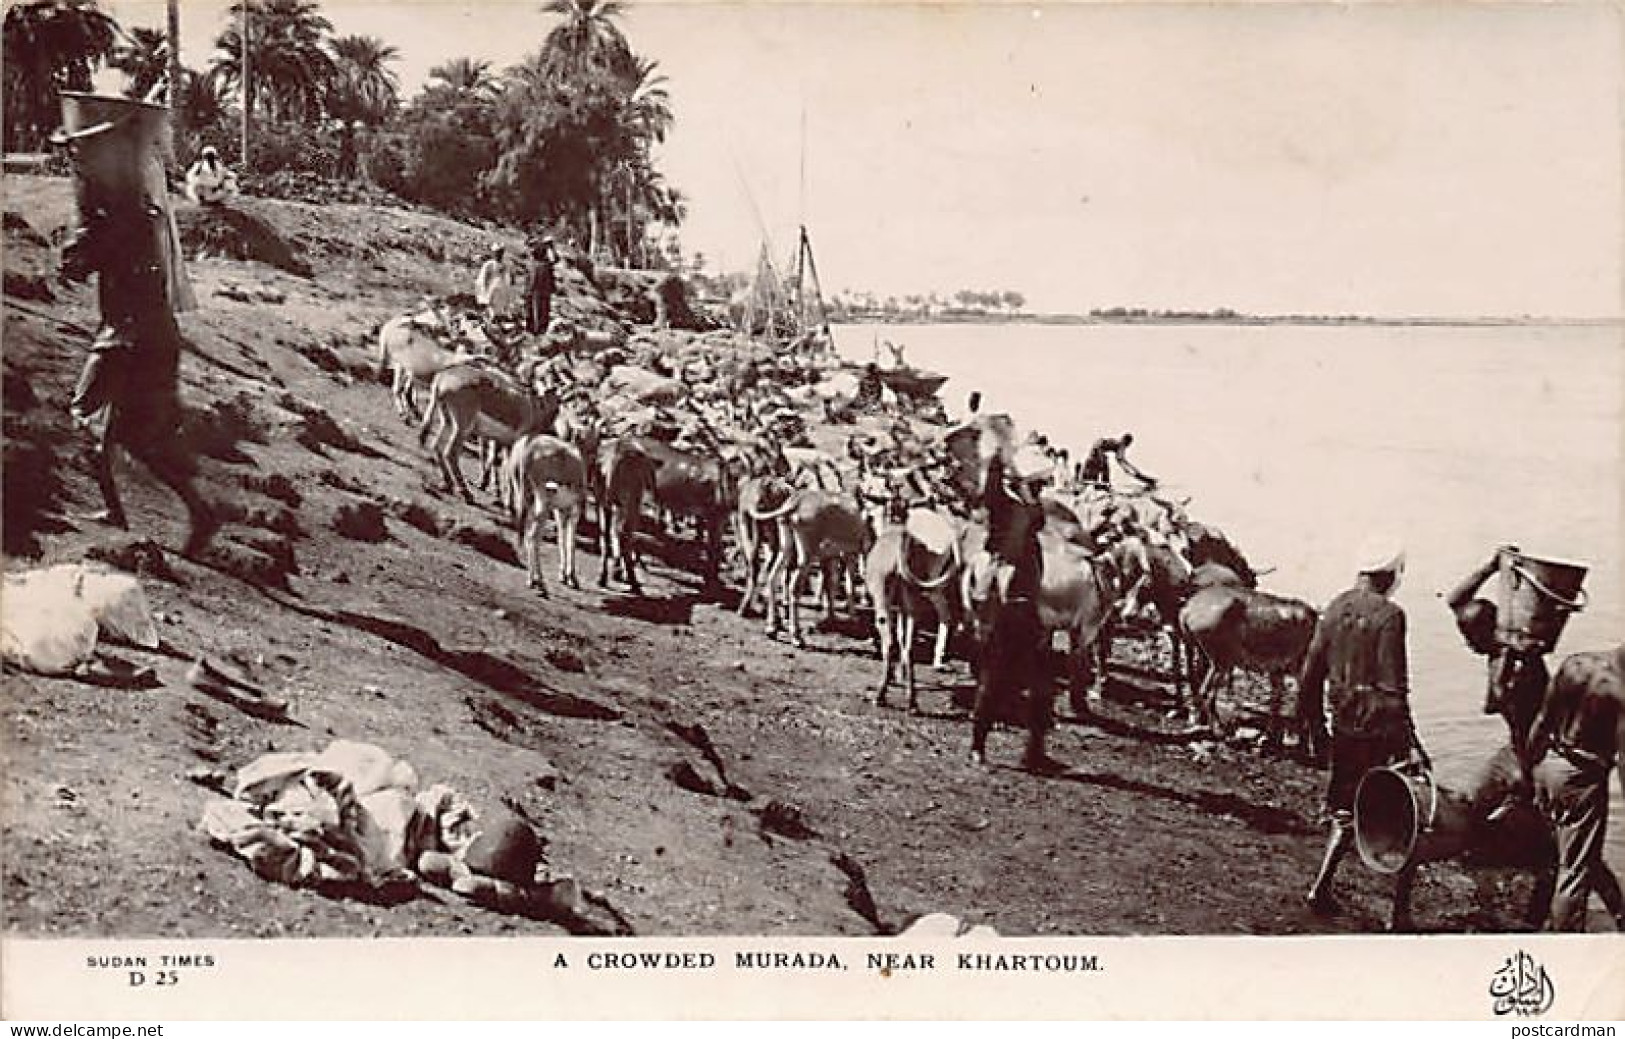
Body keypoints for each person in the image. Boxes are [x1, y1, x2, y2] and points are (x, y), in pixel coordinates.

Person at [59, 97, 217, 556]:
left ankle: (130, 511)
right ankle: (195, 512)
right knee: (134, 437)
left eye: (82, 150)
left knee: (85, 416)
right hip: (148, 334)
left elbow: (79, 261)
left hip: (128, 336)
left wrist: (77, 238)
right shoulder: (131, 201)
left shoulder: (117, 209)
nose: (76, 157)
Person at [1300, 538, 1430, 920]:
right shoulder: (1390, 616)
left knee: (1345, 811)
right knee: (1408, 812)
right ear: (1390, 575)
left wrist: (1315, 728)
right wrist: (1411, 740)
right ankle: (1398, 914)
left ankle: (1320, 887)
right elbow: (1393, 688)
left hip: (1344, 727)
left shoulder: (1334, 607)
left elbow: (1310, 675)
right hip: (1380, 731)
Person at [969, 446, 1061, 774]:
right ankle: (978, 746)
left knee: (1042, 686)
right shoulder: (1002, 506)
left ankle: (1033, 752)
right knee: (993, 680)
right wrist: (998, 459)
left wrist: (1026, 487)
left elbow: (1038, 516)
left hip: (1027, 609)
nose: (1039, 490)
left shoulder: (1028, 513)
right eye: (1037, 485)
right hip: (1004, 608)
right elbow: (991, 491)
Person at [1524, 646, 1625, 931]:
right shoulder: (1619, 692)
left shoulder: (1576, 664)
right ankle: (1568, 943)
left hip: (1548, 764)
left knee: (1578, 853)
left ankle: (1619, 914)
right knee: (1574, 872)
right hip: (1581, 779)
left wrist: (1532, 773)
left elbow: (1541, 722)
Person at [1447, 546, 1550, 758]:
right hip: (1522, 732)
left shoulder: (1514, 660)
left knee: (1525, 739)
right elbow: (1454, 600)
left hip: (1532, 734)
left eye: (1472, 639)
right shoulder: (1500, 647)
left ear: (1489, 631)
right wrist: (1492, 567)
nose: (1469, 645)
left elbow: (1501, 698)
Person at [1080, 432, 1156, 490]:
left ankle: (1101, 484)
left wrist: (1131, 469)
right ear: (1127, 442)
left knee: (1101, 467)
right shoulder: (1121, 445)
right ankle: (1104, 485)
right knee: (1103, 466)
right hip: (1097, 452)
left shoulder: (1117, 443)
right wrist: (1129, 469)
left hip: (1095, 452)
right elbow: (1120, 459)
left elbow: (1121, 459)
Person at [526, 236, 558, 336]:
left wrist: (551, 247)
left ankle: (540, 330)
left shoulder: (544, 263)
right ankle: (534, 330)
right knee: (534, 310)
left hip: (542, 290)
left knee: (542, 310)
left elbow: (555, 259)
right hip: (534, 289)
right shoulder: (533, 263)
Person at [474, 243, 513, 323]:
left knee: (499, 306)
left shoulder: (505, 265)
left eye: (501, 252)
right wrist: (484, 290)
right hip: (491, 288)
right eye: (497, 253)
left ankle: (498, 319)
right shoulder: (489, 264)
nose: (499, 255)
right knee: (490, 306)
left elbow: (507, 278)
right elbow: (483, 277)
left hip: (501, 289)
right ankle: (489, 320)